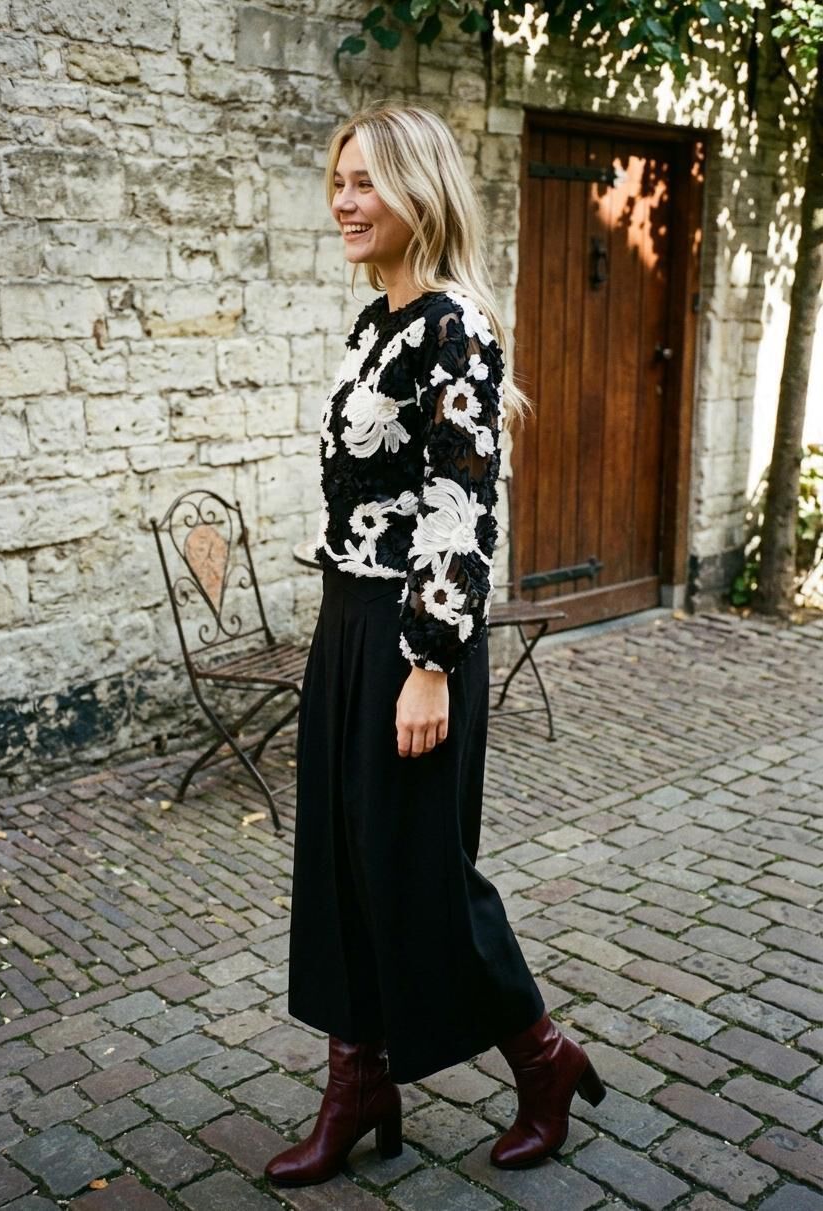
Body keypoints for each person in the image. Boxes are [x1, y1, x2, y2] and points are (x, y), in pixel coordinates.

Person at [264, 102, 605, 1189]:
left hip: (414, 631)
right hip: (347, 620)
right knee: (343, 859)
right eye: (338, 181)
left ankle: (544, 1058)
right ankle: (357, 1081)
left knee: (418, 869)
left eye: (365, 181)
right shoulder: (378, 321)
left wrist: (425, 663)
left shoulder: (456, 325)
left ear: (421, 190)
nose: (344, 201)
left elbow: (462, 503)